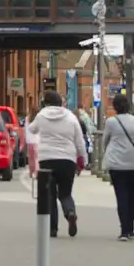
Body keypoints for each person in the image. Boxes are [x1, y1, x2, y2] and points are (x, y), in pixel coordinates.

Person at [27, 90, 84, 237]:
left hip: (47, 159)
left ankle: (52, 228)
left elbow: (31, 129)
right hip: (67, 159)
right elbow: (79, 140)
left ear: (45, 103)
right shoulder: (71, 117)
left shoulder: (41, 116)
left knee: (50, 195)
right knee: (65, 192)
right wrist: (82, 158)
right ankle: (70, 212)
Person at [101, 94, 134, 240]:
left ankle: (124, 231)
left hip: (117, 163)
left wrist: (107, 152)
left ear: (114, 107)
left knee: (121, 196)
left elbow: (105, 140)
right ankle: (131, 228)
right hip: (133, 163)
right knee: (131, 197)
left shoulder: (111, 122)